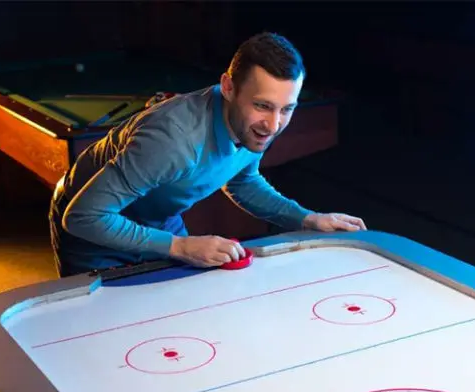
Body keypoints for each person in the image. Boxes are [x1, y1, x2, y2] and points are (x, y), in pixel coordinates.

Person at [49, 32, 366, 277]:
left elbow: (242, 181)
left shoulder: (253, 126)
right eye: (263, 105)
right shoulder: (172, 138)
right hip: (92, 228)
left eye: (287, 109)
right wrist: (179, 246)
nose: (274, 125)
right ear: (228, 87)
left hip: (160, 221)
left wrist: (307, 218)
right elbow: (83, 217)